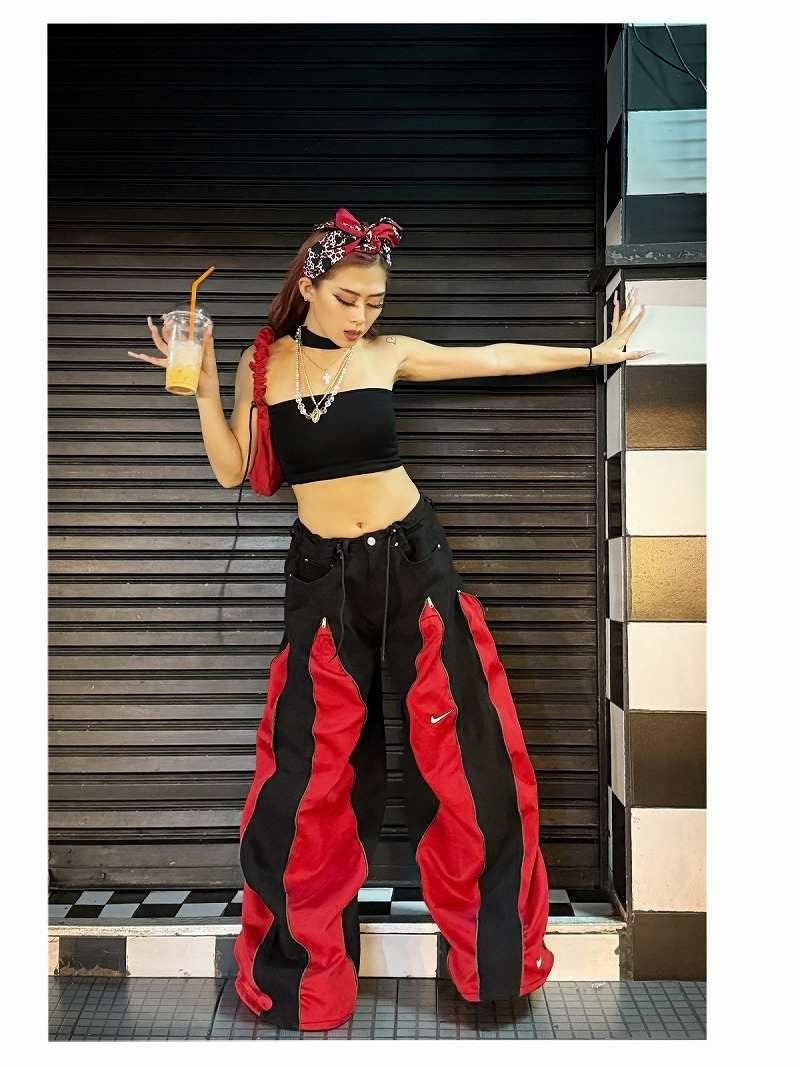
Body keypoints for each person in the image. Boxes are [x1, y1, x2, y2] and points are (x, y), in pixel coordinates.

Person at [127, 208, 650, 1032]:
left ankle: (492, 970)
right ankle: (303, 984)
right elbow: (235, 471)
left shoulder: (384, 354)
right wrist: (198, 388)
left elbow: (492, 358)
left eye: (374, 301)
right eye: (348, 299)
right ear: (308, 286)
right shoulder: (262, 363)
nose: (362, 314)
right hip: (322, 581)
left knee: (469, 760)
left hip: (413, 560)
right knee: (305, 782)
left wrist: (595, 352)